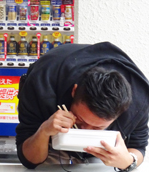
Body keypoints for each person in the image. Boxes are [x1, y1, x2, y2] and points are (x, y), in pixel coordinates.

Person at [16, 42, 149, 170]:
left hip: (101, 151)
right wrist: (44, 131)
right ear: (74, 91)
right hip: (52, 130)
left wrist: (128, 161)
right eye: (80, 119)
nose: (87, 130)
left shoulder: (139, 101)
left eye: (97, 127)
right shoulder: (41, 84)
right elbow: (28, 159)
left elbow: (138, 146)